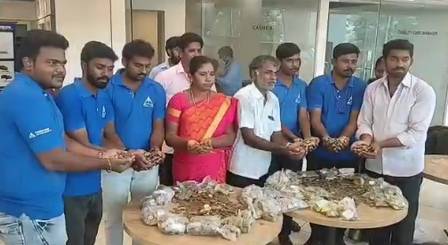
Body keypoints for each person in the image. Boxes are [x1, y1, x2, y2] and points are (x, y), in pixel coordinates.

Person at [0, 30, 132, 245]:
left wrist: (105, 154)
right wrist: (106, 162)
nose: (60, 69)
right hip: (28, 212)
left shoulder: (42, 94)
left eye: (62, 63)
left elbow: (63, 140)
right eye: (52, 63)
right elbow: (53, 159)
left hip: (44, 207)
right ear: (28, 62)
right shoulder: (25, 96)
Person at [355, 39, 436, 245]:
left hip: (406, 171)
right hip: (375, 168)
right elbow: (365, 121)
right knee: (376, 225)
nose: (399, 64)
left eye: (404, 59)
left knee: (403, 227)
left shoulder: (423, 91)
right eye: (394, 59)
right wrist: (365, 141)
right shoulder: (373, 88)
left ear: (411, 61)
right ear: (385, 60)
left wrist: (380, 145)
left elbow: (416, 133)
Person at [55, 41, 125, 245]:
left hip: (95, 184)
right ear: (85, 66)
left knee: (89, 240)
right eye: (100, 67)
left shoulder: (103, 96)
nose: (107, 74)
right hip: (71, 188)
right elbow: (81, 143)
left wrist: (130, 153)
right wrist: (112, 156)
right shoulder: (70, 96)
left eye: (110, 68)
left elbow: (109, 136)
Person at [103, 39, 166, 245]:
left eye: (147, 66)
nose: (144, 70)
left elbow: (158, 125)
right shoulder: (108, 87)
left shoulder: (155, 89)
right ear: (124, 61)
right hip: (116, 162)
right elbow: (108, 130)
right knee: (114, 216)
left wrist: (155, 149)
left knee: (144, 215)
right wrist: (129, 155)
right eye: (138, 65)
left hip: (146, 162)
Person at [306, 43, 366, 245]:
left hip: (348, 154)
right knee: (317, 198)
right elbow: (315, 119)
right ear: (333, 62)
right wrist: (327, 139)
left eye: (353, 61)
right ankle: (316, 238)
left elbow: (354, 120)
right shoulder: (319, 84)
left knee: (345, 200)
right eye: (345, 61)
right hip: (321, 153)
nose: (350, 65)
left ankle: (338, 239)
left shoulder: (359, 86)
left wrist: (343, 139)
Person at [228, 54, 305, 194]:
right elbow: (249, 138)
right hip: (242, 169)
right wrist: (285, 150)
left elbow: (276, 134)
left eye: (275, 73)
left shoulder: (273, 99)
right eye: (268, 72)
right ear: (254, 73)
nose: (273, 77)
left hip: (263, 168)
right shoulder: (244, 96)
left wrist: (290, 147)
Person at [165, 56, 237, 183]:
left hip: (213, 164)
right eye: (202, 74)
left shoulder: (223, 101)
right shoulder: (178, 100)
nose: (208, 79)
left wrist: (210, 143)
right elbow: (170, 137)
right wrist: (188, 144)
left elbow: (230, 136)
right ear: (190, 76)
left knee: (212, 200)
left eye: (212, 74)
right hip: (186, 163)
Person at [271, 42, 312, 244]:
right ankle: (273, 228)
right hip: (273, 145)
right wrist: (295, 139)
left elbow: (303, 114)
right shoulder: (270, 83)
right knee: (270, 188)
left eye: (297, 59)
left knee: (289, 189)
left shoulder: (301, 85)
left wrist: (306, 140)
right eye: (290, 60)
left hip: (294, 147)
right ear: (279, 62)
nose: (295, 64)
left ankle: (285, 230)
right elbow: (274, 119)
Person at [155, 32, 205, 186]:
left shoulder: (206, 77)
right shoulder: (164, 77)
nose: (196, 54)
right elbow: (158, 114)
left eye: (199, 50)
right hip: (170, 149)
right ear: (180, 52)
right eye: (191, 51)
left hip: (197, 148)